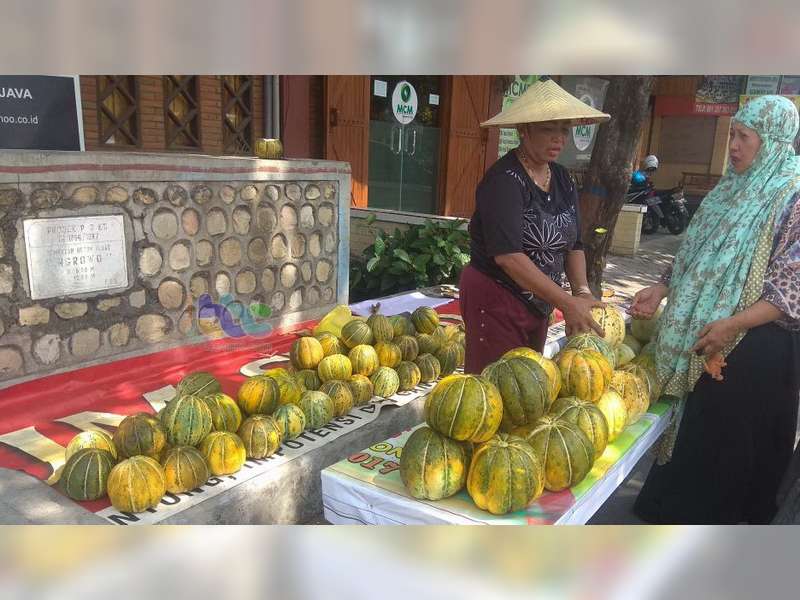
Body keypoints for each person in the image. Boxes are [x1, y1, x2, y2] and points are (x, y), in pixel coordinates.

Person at [631, 95, 800, 524]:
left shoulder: (790, 197)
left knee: (731, 449)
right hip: (714, 336)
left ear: (774, 141)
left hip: (760, 344)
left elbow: (790, 287)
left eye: (744, 137)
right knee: (697, 436)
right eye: (733, 136)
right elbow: (696, 251)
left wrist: (733, 324)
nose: (734, 146)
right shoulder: (729, 189)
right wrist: (663, 286)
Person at [460, 78, 611, 374]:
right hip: (496, 297)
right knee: (497, 385)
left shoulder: (564, 179)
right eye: (548, 129)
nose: (559, 138)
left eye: (564, 130)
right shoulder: (504, 181)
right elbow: (508, 257)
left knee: (530, 382)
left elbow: (574, 245)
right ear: (523, 130)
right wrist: (565, 301)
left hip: (540, 300)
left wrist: (580, 291)